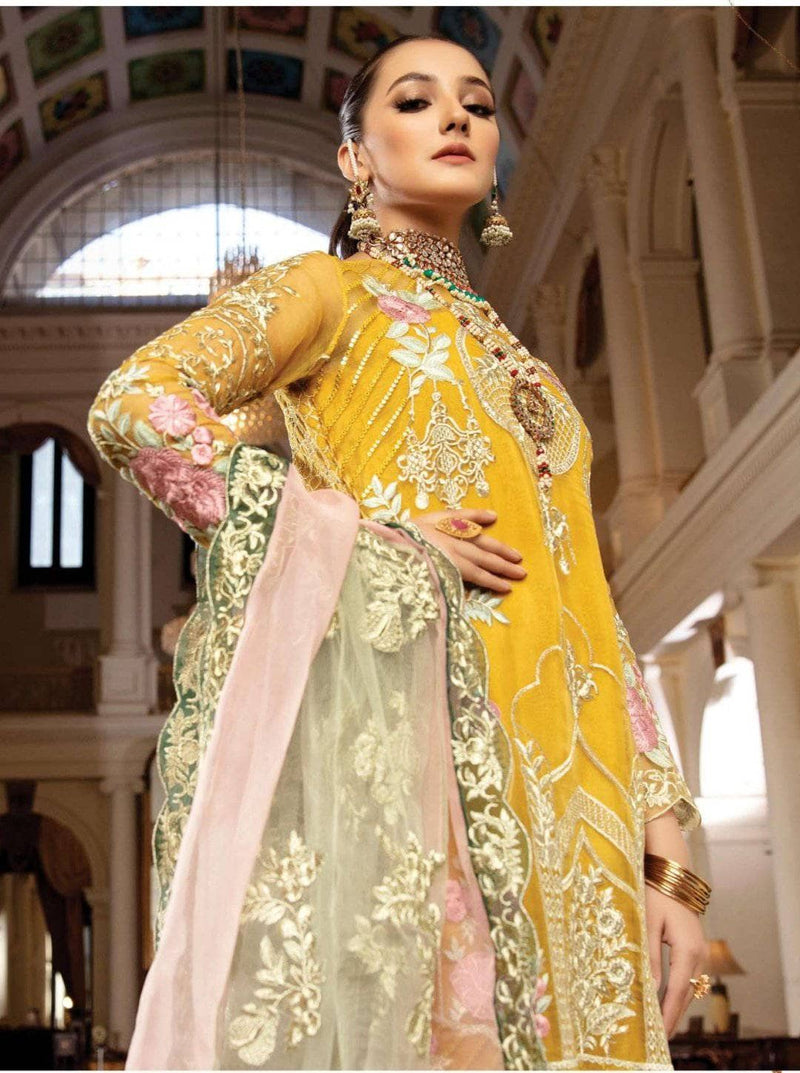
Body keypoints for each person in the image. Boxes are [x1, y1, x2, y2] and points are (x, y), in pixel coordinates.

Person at [87, 32, 712, 1071]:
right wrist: (365, 544)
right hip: (439, 767)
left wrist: (671, 861)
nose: (457, 116)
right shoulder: (326, 294)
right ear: (353, 157)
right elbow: (135, 407)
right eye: (416, 101)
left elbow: (593, 607)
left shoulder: (524, 363)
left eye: (478, 102)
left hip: (586, 804)